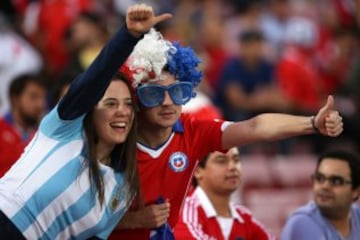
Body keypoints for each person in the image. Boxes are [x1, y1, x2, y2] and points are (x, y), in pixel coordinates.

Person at [111, 25, 344, 239]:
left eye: (179, 91)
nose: (168, 102)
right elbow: (78, 217)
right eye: (154, 94)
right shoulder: (114, 137)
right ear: (136, 99)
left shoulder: (193, 130)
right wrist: (133, 220)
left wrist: (313, 123)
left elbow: (255, 127)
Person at [0, 4, 171, 239]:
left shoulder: (124, 186)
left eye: (128, 105)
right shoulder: (63, 128)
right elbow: (95, 77)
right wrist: (128, 36)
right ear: (91, 109)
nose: (123, 111)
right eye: (111, 103)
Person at [174, 147, 275, 240]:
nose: (233, 167)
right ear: (197, 171)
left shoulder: (245, 218)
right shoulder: (184, 212)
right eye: (221, 161)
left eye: (236, 160)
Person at [281, 150, 360, 240]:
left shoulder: (357, 215)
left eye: (336, 181)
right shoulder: (302, 223)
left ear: (356, 191)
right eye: (320, 178)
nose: (325, 186)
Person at [0, 74, 46, 177]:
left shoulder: (44, 136)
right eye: (33, 97)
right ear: (15, 98)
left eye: (43, 98)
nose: (41, 104)